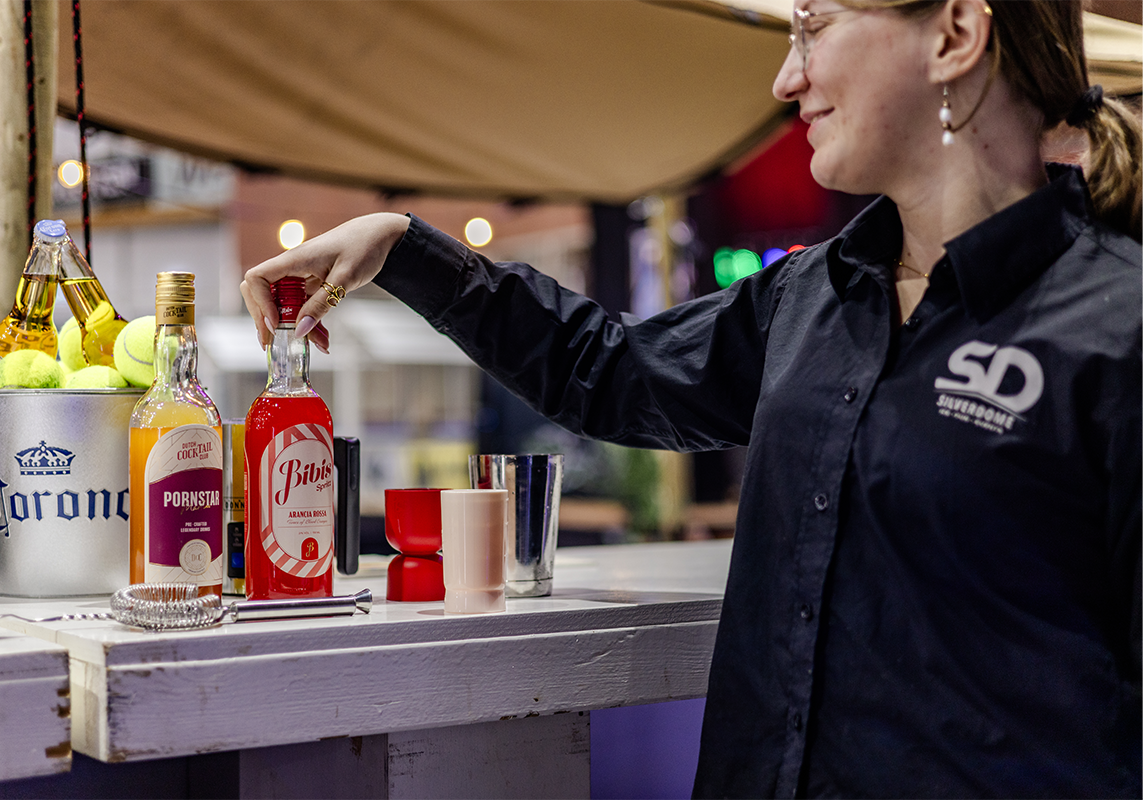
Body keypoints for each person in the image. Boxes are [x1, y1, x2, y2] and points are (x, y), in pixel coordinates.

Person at [241, 0, 1143, 795]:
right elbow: (612, 371)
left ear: (953, 34)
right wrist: (403, 249)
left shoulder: (1116, 325)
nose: (789, 77)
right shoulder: (815, 295)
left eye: (813, 26)